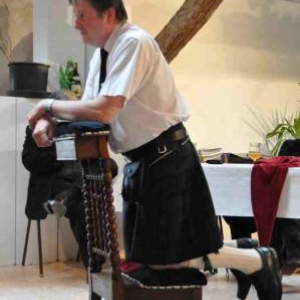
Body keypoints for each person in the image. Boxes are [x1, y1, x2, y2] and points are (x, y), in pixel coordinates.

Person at [27, 1, 282, 299]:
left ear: (109, 14)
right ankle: (248, 255)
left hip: (167, 158)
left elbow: (106, 109)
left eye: (83, 15)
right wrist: (51, 120)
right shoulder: (102, 55)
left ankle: (256, 260)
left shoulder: (133, 43)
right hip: (146, 163)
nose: (76, 23)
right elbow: (89, 111)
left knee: (166, 259)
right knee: (152, 255)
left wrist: (47, 106)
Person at [22, 124, 118, 269]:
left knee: (110, 166)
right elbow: (29, 159)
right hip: (57, 179)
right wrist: (60, 153)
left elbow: (100, 150)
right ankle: (94, 263)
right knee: (83, 203)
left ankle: (69, 197)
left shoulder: (82, 122)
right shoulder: (38, 126)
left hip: (83, 176)